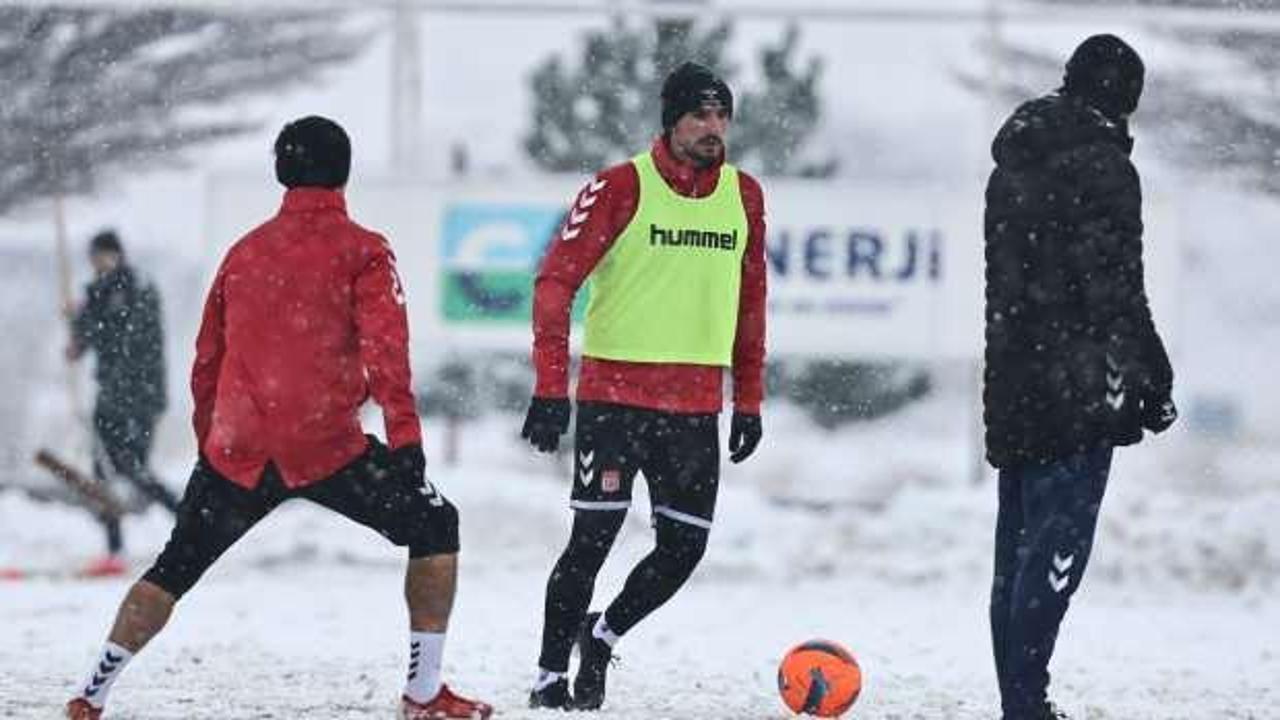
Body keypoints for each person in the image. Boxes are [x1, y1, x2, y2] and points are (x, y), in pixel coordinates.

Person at [64, 116, 492, 720]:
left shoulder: (243, 253)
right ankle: (423, 695)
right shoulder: (365, 251)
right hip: (328, 447)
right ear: (344, 171)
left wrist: (212, 444)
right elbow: (387, 352)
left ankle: (91, 693)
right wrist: (406, 438)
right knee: (436, 524)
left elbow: (206, 359)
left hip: (236, 450)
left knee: (172, 569)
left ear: (281, 173)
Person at [520, 61, 767, 711]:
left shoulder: (744, 195)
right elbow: (555, 283)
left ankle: (600, 637)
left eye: (723, 116)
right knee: (592, 540)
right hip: (614, 401)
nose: (714, 128)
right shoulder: (619, 186)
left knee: (684, 548)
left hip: (694, 408)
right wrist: (550, 387)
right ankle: (548, 679)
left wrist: (749, 400)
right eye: (700, 115)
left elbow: (751, 304)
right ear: (671, 121)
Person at [983, 35, 1178, 720]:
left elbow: (1012, 285)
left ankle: (1018, 699)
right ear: (1125, 99)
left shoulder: (1013, 160)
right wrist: (1154, 378)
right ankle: (1027, 705)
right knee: (1057, 553)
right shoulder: (1105, 168)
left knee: (1015, 557)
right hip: (1080, 389)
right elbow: (1116, 288)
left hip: (1014, 382)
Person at [66, 229, 180, 576]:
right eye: (93, 257)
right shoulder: (98, 292)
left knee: (133, 469)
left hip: (139, 396)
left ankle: (191, 523)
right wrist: (76, 326)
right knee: (102, 470)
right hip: (110, 395)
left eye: (102, 255)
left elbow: (122, 337)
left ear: (116, 254)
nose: (97, 263)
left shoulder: (137, 289)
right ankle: (114, 548)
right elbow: (88, 338)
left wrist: (86, 321)